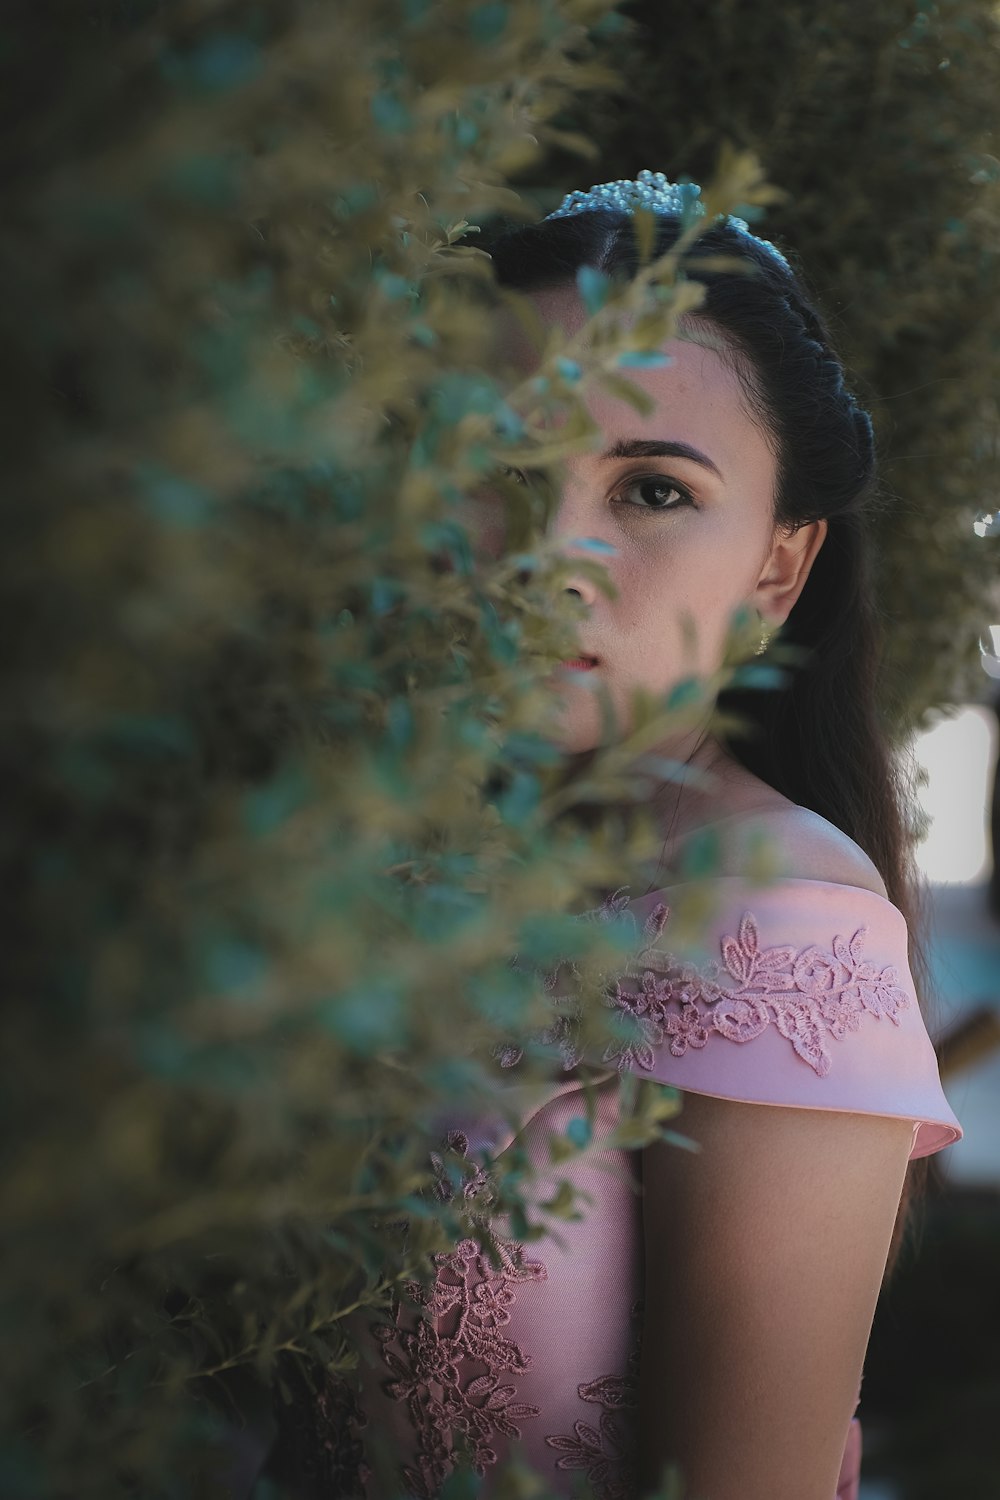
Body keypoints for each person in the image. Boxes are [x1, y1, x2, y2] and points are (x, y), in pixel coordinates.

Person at [264, 173, 964, 1500]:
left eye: (650, 490)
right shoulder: (387, 863)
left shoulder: (779, 917)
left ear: (777, 567)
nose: (547, 558)